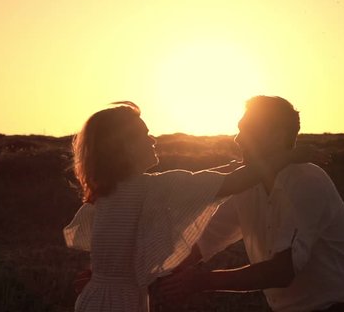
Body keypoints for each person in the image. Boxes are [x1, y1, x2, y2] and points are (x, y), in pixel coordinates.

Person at [63, 101, 324, 312]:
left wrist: (102, 278)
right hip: (123, 304)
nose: (153, 140)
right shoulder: (151, 188)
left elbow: (113, 251)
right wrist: (290, 156)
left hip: (93, 298)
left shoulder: (103, 196)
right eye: (144, 135)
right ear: (123, 147)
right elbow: (230, 182)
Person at [157, 96, 344, 312]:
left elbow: (282, 271)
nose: (238, 140)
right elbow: (204, 241)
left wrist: (201, 281)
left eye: (248, 130)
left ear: (277, 136)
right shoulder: (249, 184)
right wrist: (159, 277)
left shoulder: (306, 180)